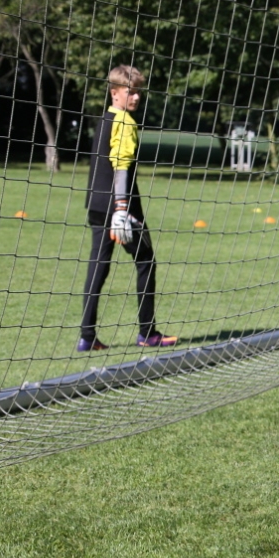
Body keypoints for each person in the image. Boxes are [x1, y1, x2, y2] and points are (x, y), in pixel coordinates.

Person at [78, 64, 177, 352]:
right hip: (121, 209)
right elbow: (121, 168)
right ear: (115, 92)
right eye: (130, 92)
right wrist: (121, 208)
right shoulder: (124, 122)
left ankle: (87, 337)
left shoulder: (104, 118)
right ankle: (148, 333)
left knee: (98, 267)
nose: (135, 97)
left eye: (138, 92)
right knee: (146, 262)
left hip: (96, 205)